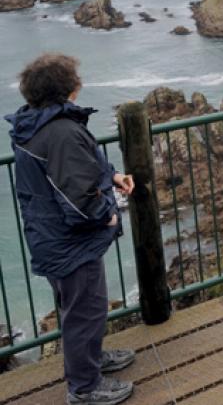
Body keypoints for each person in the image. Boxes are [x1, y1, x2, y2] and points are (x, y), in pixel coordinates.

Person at [5, 54, 136, 405]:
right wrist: (108, 214)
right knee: (86, 311)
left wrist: (111, 176)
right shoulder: (61, 132)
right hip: (70, 242)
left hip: (50, 235)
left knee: (80, 308)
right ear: (68, 89)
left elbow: (79, 167)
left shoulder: (35, 123)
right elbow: (78, 198)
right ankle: (84, 387)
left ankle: (89, 362)